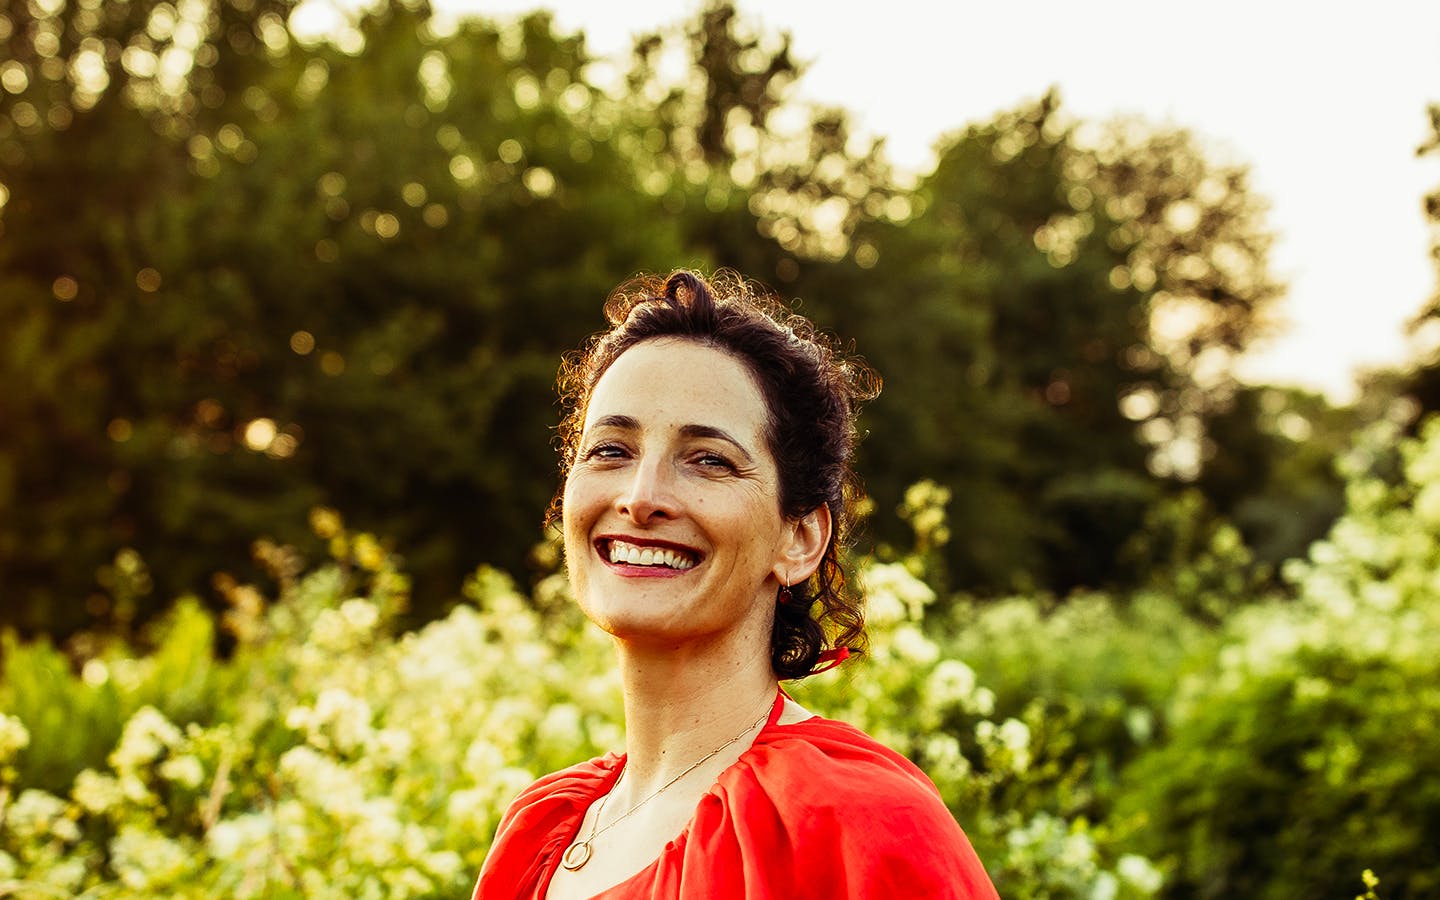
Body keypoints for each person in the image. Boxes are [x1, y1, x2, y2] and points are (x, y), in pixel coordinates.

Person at [473, 270, 998, 899]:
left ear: (798, 538)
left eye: (709, 460)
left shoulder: (859, 821)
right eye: (610, 450)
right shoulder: (539, 830)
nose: (641, 499)